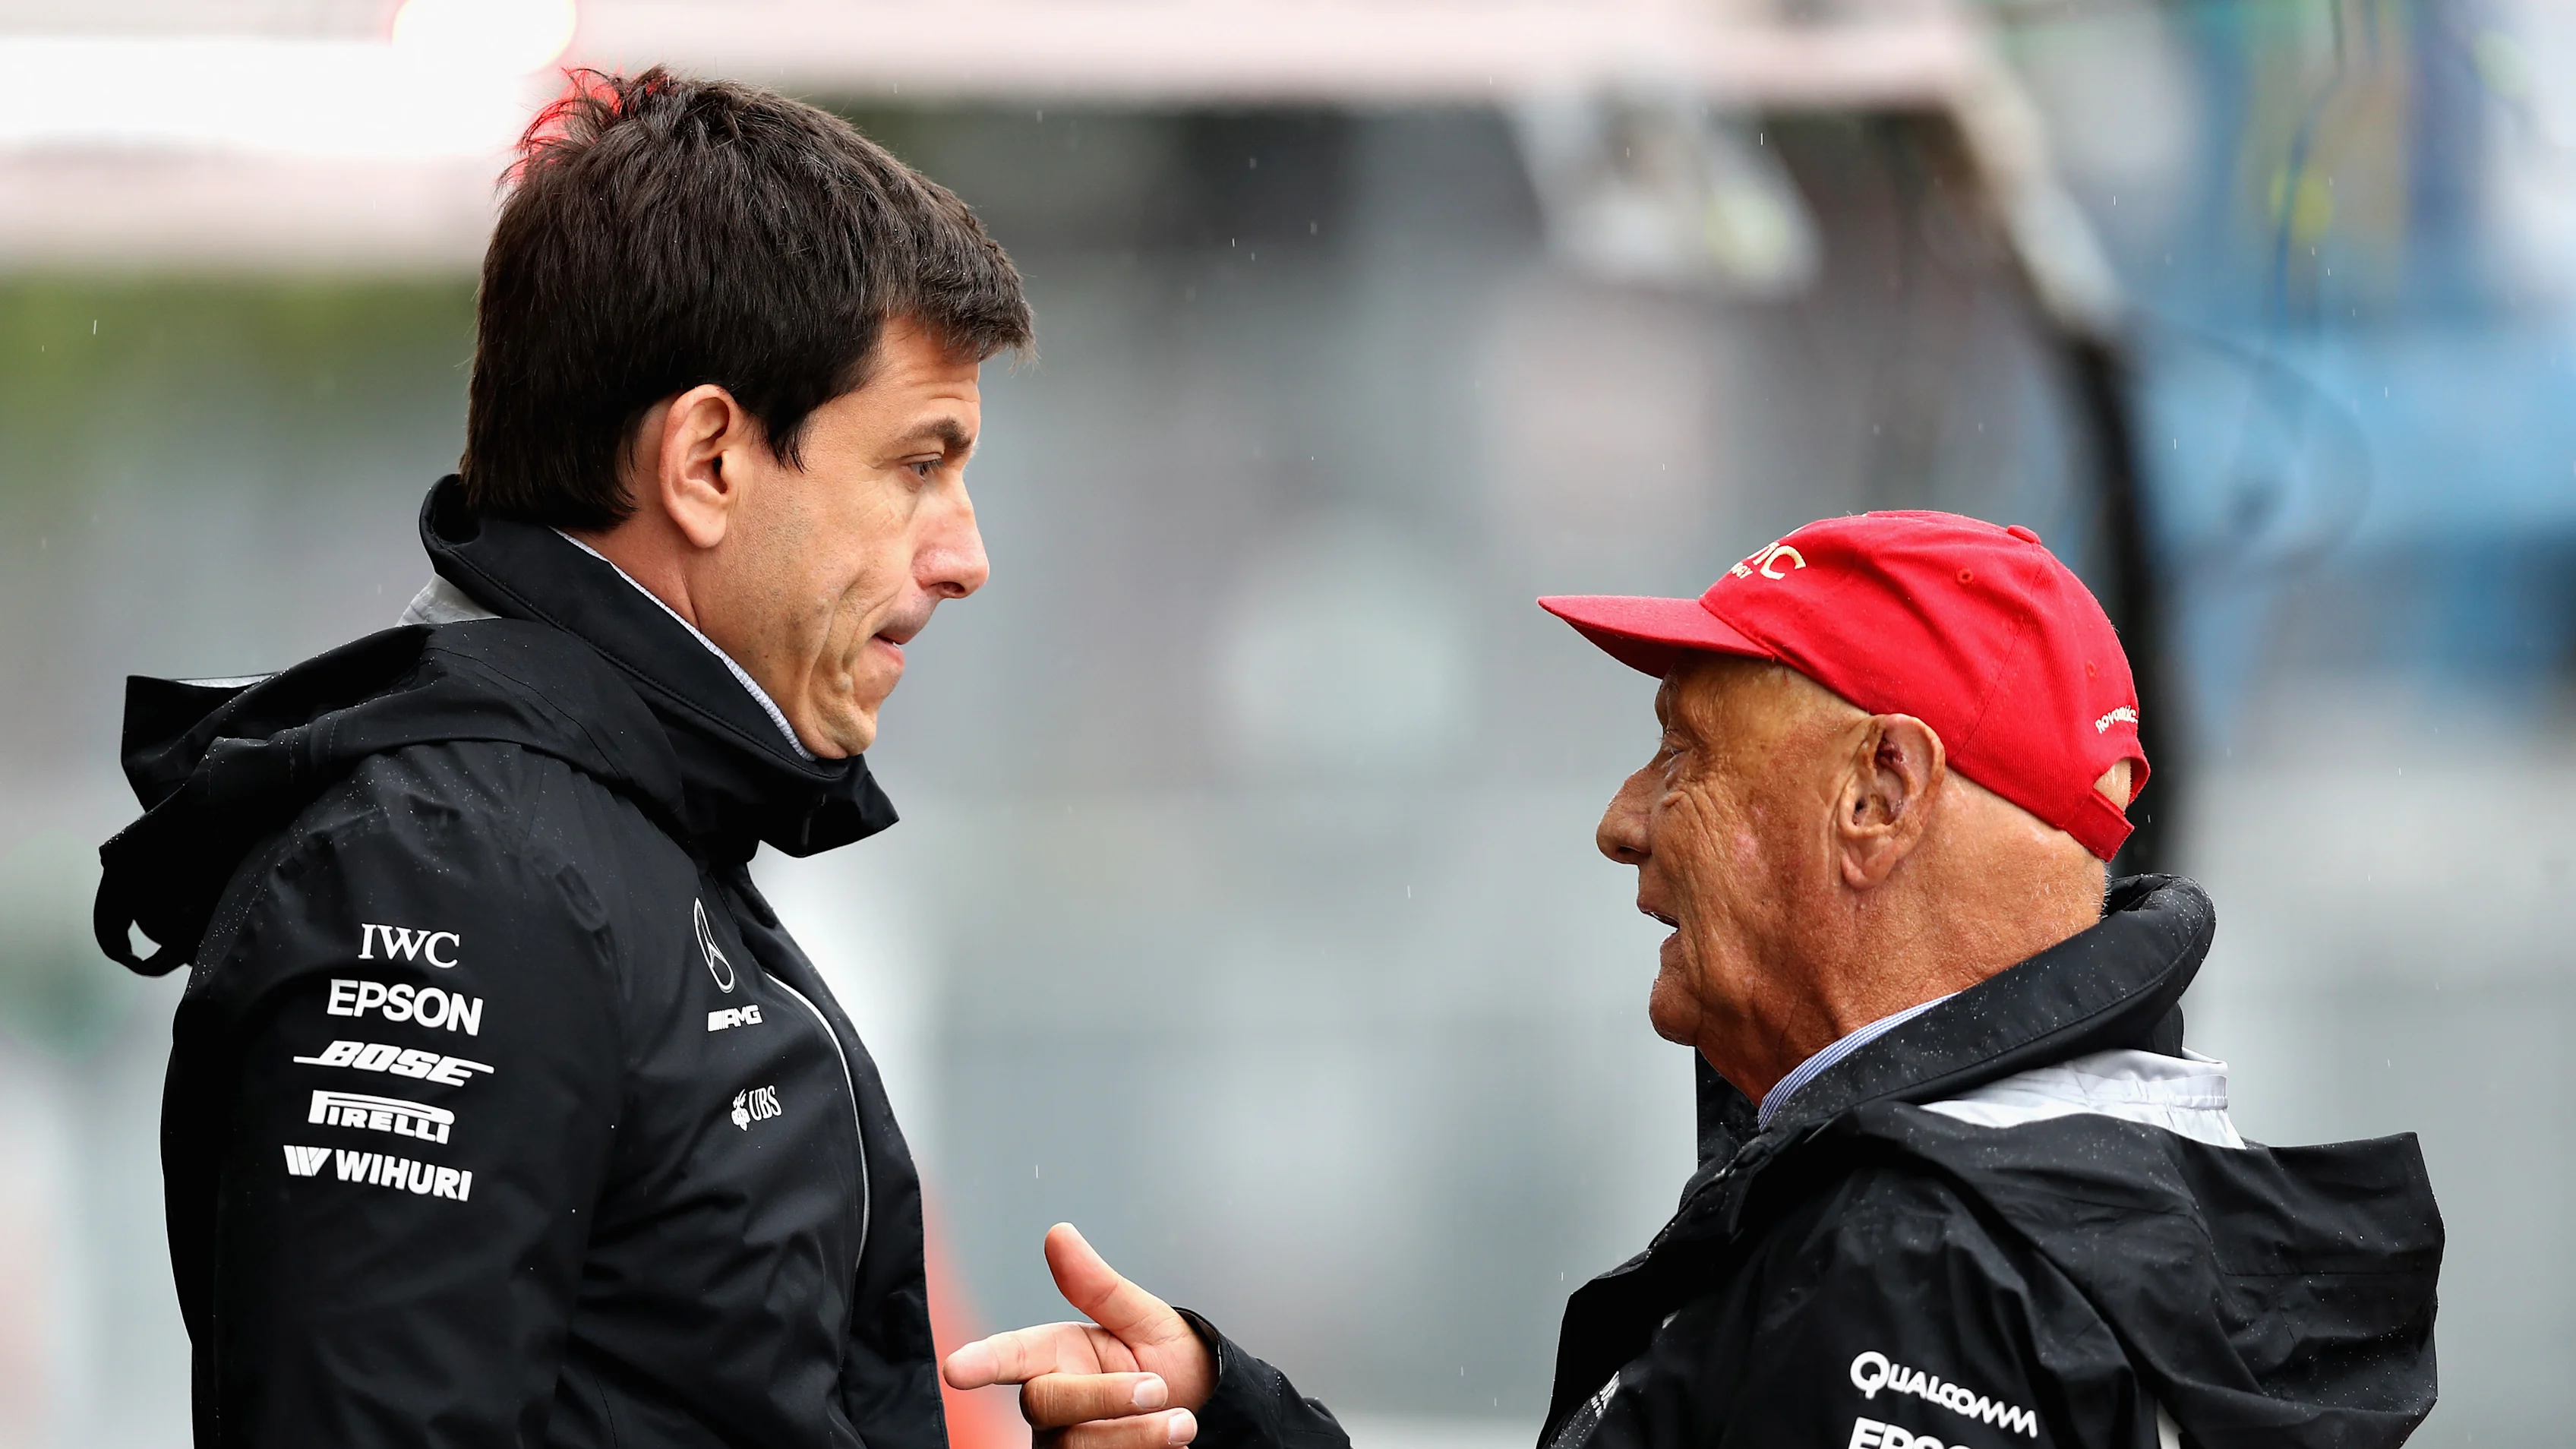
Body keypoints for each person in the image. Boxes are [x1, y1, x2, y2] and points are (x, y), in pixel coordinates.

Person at [940, 511, 2444, 1449]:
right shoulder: (2081, 1209)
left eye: (1685, 754)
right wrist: (1233, 1421)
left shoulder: (1919, 1266)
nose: (1621, 823)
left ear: (1879, 796)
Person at [90, 68, 1029, 1446]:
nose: (966, 556)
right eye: (918, 462)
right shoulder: (453, 869)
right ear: (707, 460)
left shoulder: (603, 829)